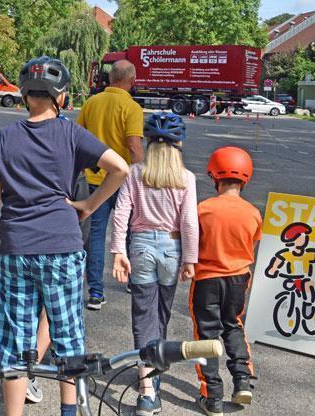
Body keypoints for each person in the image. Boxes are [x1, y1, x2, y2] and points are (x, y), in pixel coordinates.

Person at [0, 56, 129, 416]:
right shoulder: (71, 133)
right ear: (60, 96)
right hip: (62, 246)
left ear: (24, 94)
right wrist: (90, 205)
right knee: (68, 336)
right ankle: (68, 412)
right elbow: (121, 168)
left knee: (15, 340)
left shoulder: (5, 137)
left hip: (17, 248)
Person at [111, 112, 198, 415]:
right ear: (179, 145)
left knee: (143, 315)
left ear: (148, 143)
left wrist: (117, 251)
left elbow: (121, 214)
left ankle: (147, 390)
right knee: (160, 314)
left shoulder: (135, 173)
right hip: (172, 249)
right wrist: (190, 258)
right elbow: (189, 222)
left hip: (141, 247)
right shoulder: (186, 178)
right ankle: (153, 371)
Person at [189, 146, 261, 416]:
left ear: (214, 175)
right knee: (234, 325)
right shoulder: (253, 212)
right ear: (246, 178)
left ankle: (213, 395)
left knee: (205, 334)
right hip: (238, 279)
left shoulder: (204, 209)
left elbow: (193, 243)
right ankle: (242, 380)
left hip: (207, 279)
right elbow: (252, 243)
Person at [77, 59, 144, 310]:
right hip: (123, 182)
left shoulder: (91, 103)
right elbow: (134, 147)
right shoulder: (131, 107)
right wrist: (142, 179)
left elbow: (78, 138)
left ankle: (95, 292)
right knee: (131, 231)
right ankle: (132, 280)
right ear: (132, 80)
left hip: (95, 180)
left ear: (109, 79)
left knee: (96, 235)